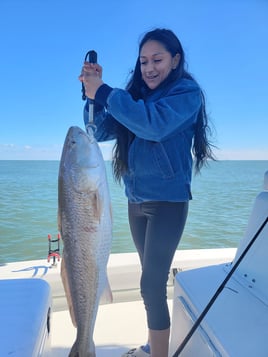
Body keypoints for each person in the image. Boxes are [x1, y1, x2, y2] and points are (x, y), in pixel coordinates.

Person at [79, 28, 215, 357]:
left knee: (151, 284)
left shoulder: (186, 92)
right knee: (148, 279)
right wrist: (90, 95)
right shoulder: (134, 98)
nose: (149, 67)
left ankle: (158, 354)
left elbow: (154, 125)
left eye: (157, 59)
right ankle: (153, 343)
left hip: (168, 202)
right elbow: (99, 131)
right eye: (143, 61)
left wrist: (106, 92)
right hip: (135, 201)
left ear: (175, 60)